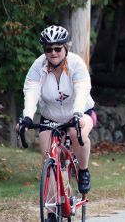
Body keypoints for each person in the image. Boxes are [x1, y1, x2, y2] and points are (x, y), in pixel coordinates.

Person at [17, 25, 96, 198]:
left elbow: (82, 90)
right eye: (48, 49)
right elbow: (31, 92)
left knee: (77, 134)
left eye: (58, 48)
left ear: (66, 47)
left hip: (81, 112)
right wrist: (28, 116)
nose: (53, 52)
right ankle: (52, 210)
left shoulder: (76, 64)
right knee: (48, 160)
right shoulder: (38, 67)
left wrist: (77, 114)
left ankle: (83, 171)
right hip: (51, 117)